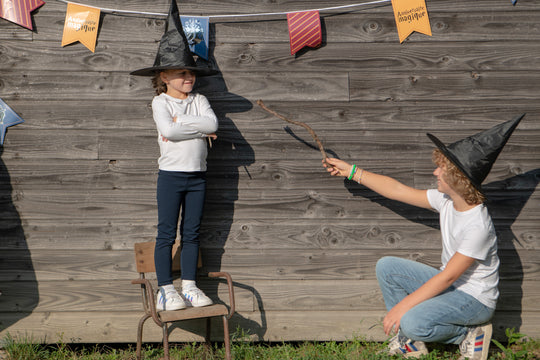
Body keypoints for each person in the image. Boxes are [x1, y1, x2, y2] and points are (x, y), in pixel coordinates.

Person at [323, 114, 524, 360]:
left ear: (458, 179)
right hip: (453, 287)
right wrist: (352, 171)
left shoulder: (477, 227)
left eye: (442, 169)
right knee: (388, 267)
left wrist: (401, 308)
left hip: (475, 300)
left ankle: (470, 334)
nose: (435, 171)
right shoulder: (448, 201)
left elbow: (448, 276)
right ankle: (409, 341)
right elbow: (397, 190)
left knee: (411, 321)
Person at [131, 0, 218, 311]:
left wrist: (185, 124)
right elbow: (170, 131)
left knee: (192, 232)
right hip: (171, 177)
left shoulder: (200, 99)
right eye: (181, 73)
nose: (188, 78)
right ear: (164, 76)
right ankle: (166, 289)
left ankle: (191, 286)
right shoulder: (161, 103)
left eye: (191, 73)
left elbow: (212, 123)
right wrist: (193, 128)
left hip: (198, 177)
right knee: (166, 232)